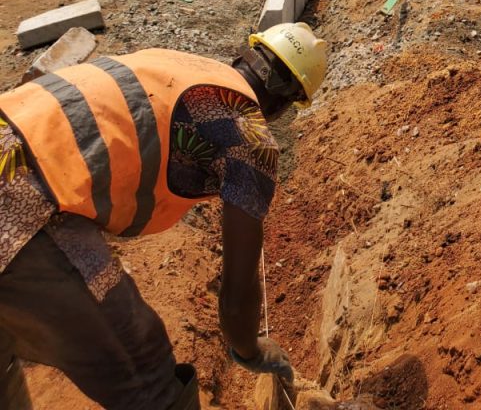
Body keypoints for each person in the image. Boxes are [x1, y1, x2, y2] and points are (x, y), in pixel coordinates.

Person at [0, 22, 328, 410]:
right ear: (287, 103)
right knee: (143, 365)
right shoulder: (249, 137)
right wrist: (250, 349)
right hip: (23, 199)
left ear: (245, 55)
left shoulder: (175, 63)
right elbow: (237, 296)